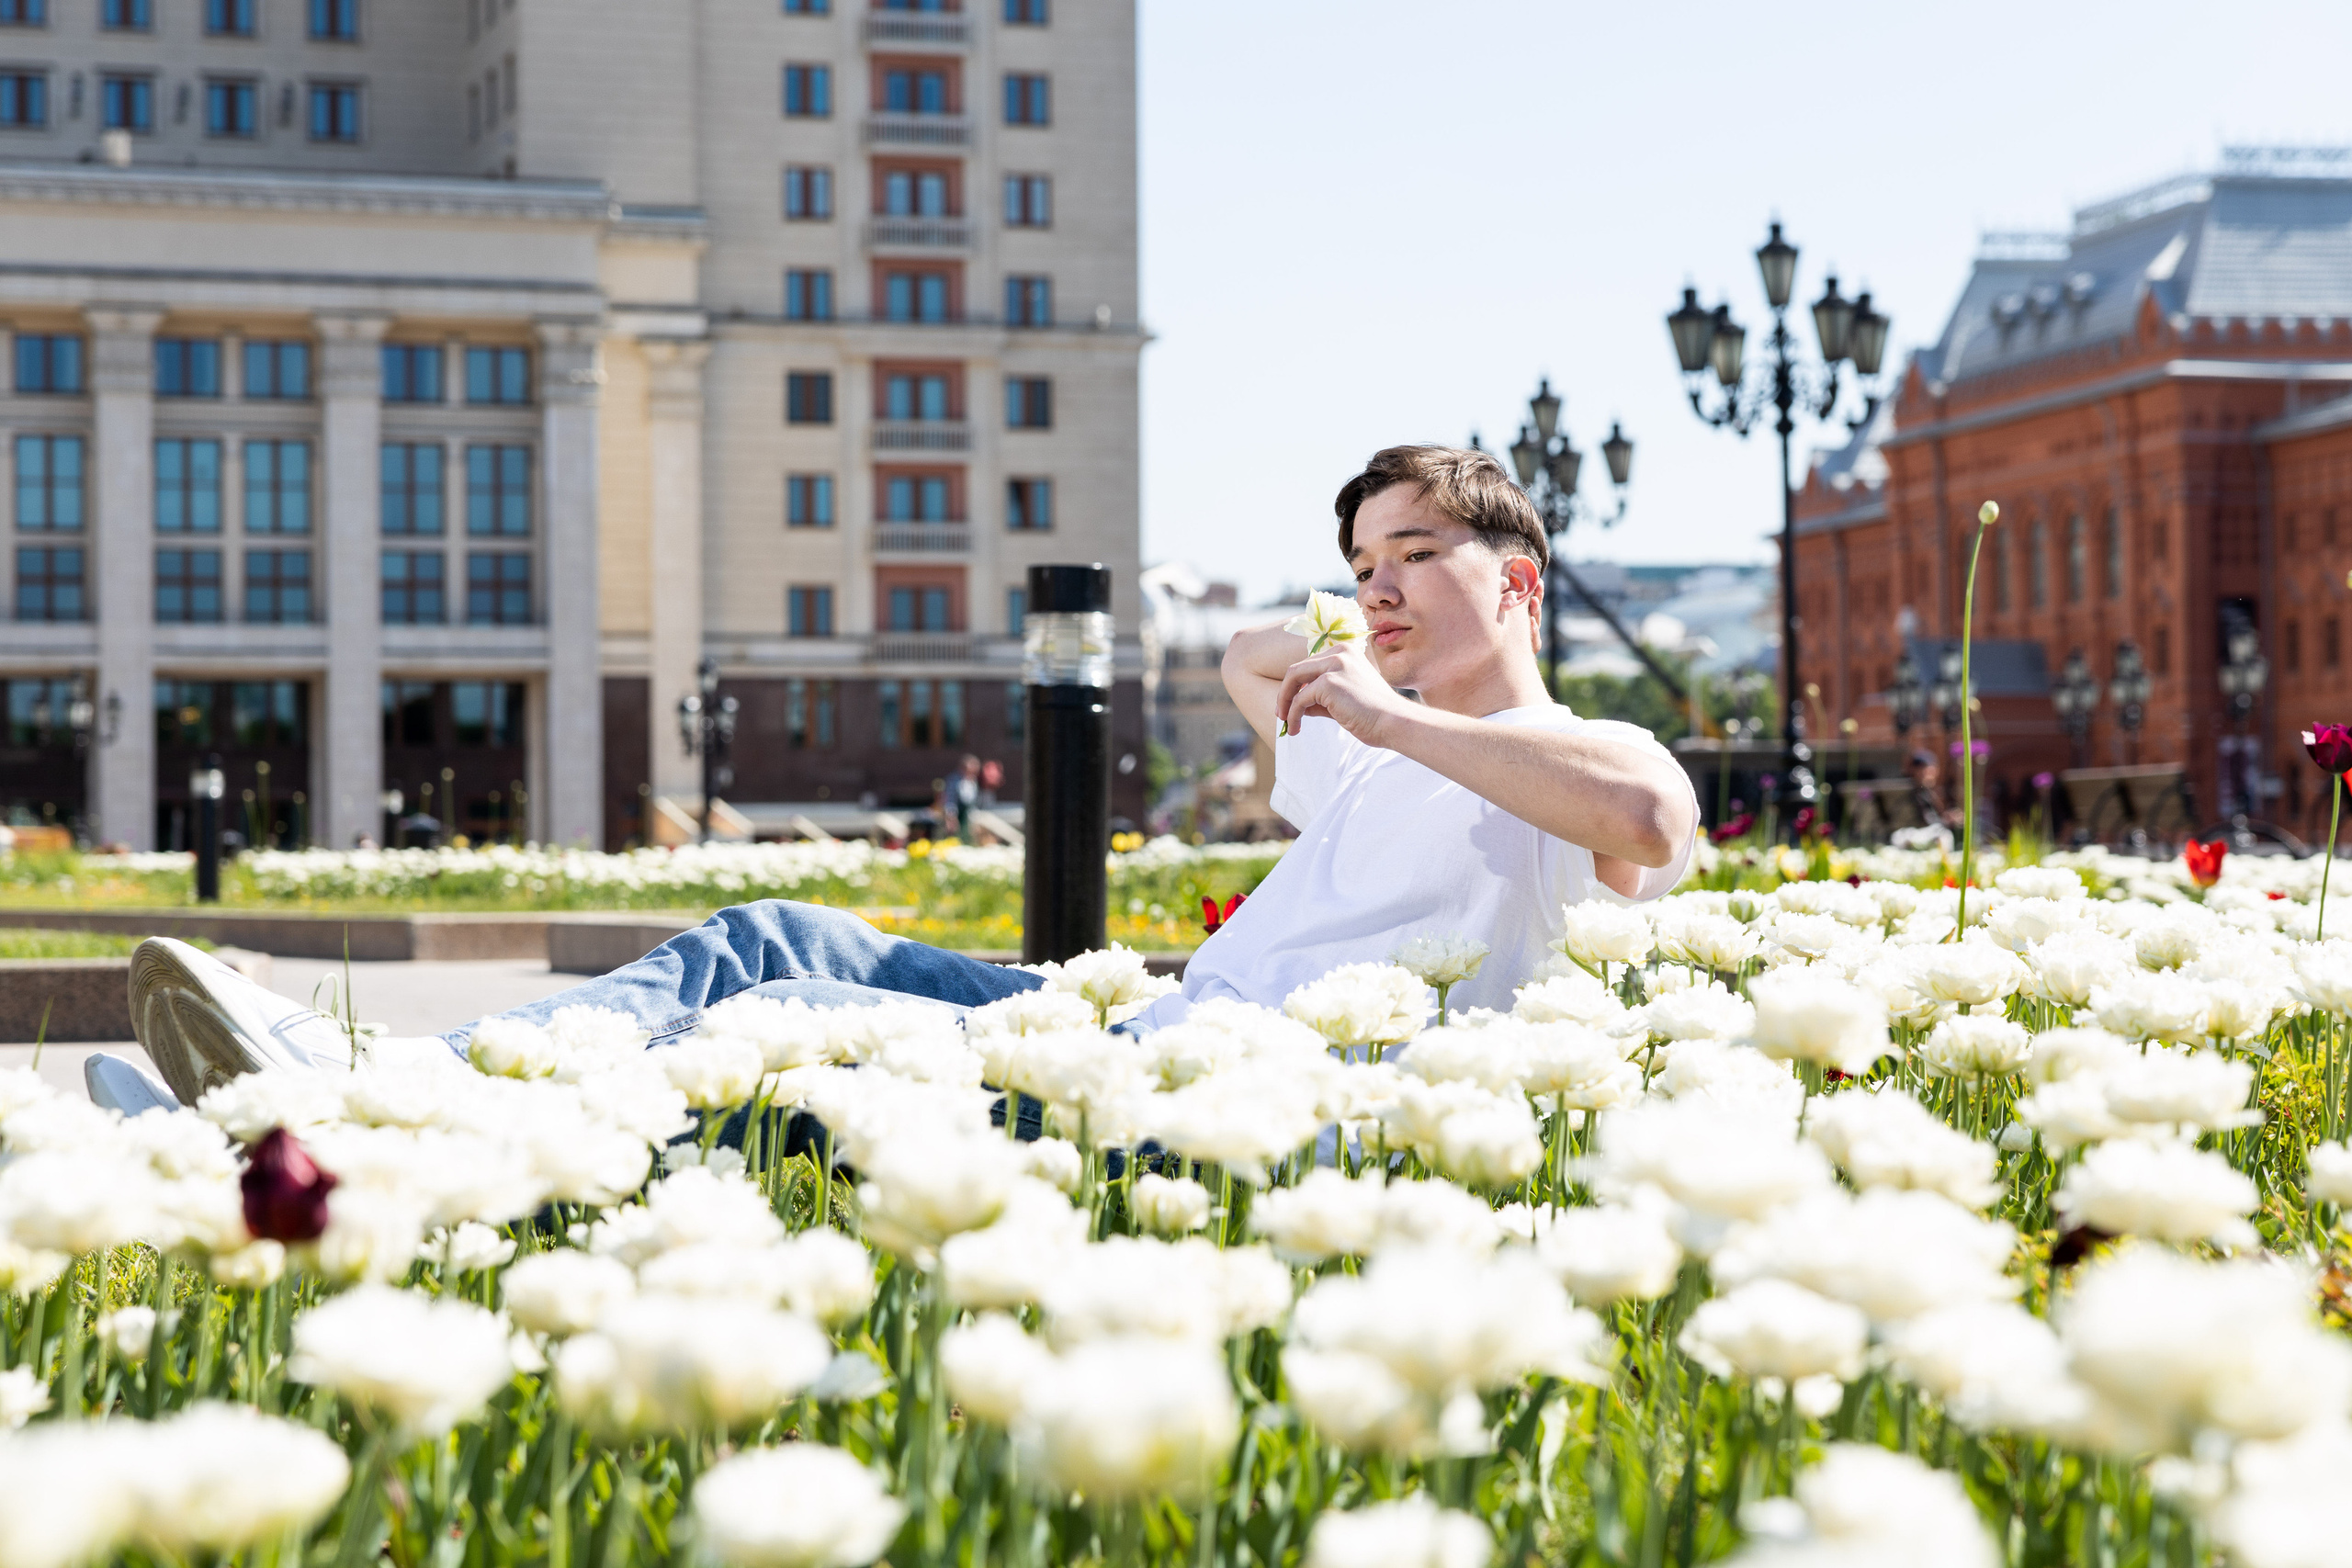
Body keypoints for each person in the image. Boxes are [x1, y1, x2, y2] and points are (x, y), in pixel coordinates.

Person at [122, 446, 1697, 1107]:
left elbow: (1645, 820)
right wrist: (1332, 663)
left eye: (1420, 553)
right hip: (1132, 1030)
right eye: (1362, 560)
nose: (1383, 587)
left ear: (1523, 583)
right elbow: (1242, 670)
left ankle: (339, 1118)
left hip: (1218, 1094)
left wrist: (1388, 708)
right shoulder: (1357, 755)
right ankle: (376, 1093)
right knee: (770, 939)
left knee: (781, 1025)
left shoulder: (1574, 758)